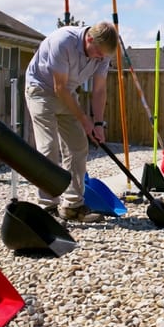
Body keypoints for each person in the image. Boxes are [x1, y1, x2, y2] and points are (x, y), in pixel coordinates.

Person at [25, 22, 116, 223]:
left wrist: (99, 124)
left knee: (78, 147)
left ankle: (72, 206)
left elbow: (99, 90)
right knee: (48, 148)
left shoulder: (103, 52)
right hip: (41, 91)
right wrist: (85, 120)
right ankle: (47, 207)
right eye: (98, 53)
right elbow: (59, 88)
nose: (100, 58)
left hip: (68, 92)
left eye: (104, 56)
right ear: (89, 39)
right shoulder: (63, 41)